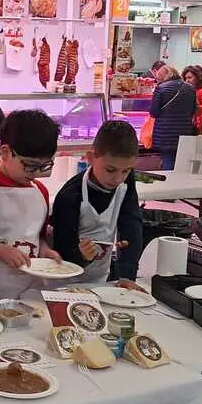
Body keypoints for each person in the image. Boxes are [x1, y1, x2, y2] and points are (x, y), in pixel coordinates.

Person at [0, 110, 62, 303]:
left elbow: (38, 236)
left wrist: (45, 250)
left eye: (44, 166)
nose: (36, 173)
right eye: (30, 165)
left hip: (29, 289)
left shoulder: (40, 191)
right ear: (5, 152)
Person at [50, 121, 143, 285]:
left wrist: (127, 276)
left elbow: (131, 228)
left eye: (126, 171)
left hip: (100, 279)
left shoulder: (126, 184)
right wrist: (80, 255)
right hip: (63, 281)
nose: (118, 179)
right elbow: (61, 248)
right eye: (110, 170)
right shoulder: (70, 196)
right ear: (91, 158)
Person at [149, 65, 196, 170]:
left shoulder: (160, 88)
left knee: (168, 160)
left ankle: (169, 184)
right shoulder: (190, 88)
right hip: (185, 131)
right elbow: (193, 110)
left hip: (165, 132)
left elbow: (153, 112)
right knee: (181, 162)